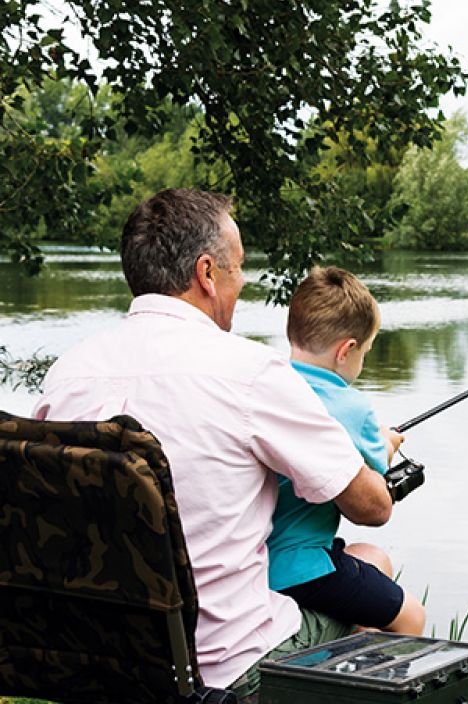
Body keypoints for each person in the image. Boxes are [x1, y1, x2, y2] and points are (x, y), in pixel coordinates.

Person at [33, 189, 393, 701]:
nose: (241, 282)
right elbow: (371, 506)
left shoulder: (68, 373)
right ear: (207, 273)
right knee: (372, 565)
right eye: (238, 267)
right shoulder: (250, 373)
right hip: (227, 668)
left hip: (103, 662)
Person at [268, 266, 426, 636]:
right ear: (346, 350)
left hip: (256, 561)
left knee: (373, 558)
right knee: (411, 616)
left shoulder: (270, 386)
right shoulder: (350, 407)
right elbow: (372, 489)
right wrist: (386, 444)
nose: (362, 362)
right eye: (365, 352)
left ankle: (351, 656)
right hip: (301, 569)